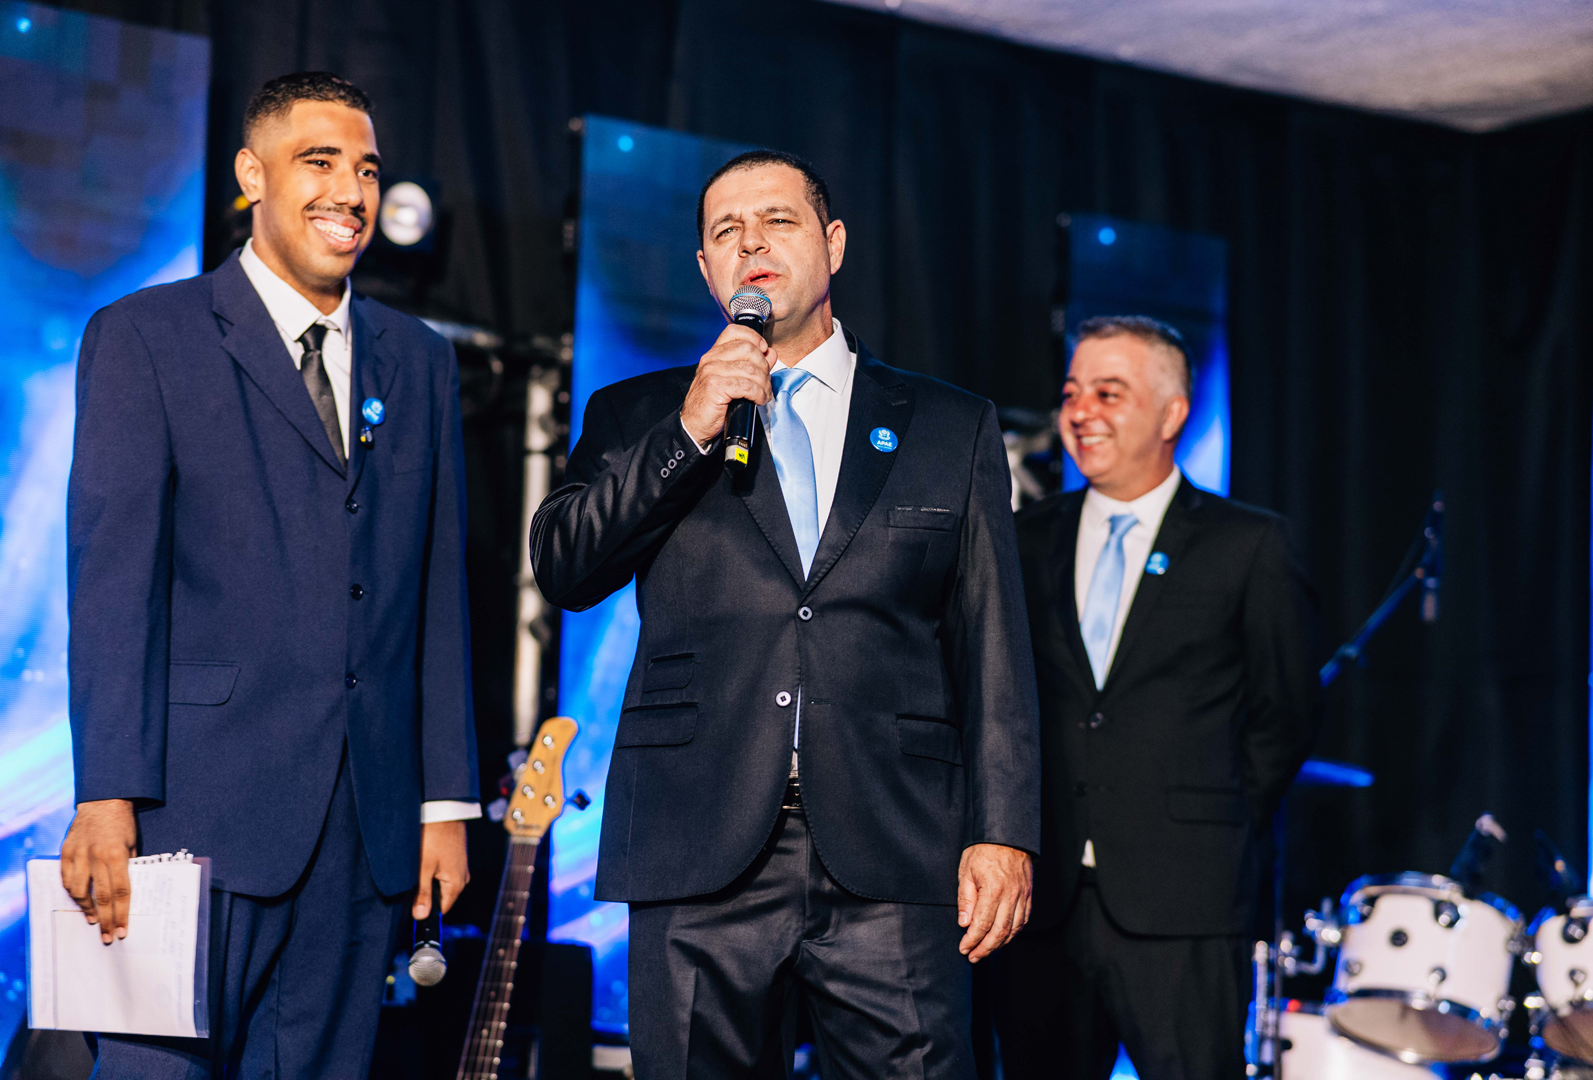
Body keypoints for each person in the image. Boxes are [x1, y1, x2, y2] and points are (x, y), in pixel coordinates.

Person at [531, 149, 1039, 1077]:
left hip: (895, 846)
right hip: (697, 842)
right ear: (705, 270)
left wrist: (1002, 831)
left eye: (778, 221)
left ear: (833, 244)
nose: (752, 244)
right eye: (726, 231)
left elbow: (992, 642)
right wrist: (689, 430)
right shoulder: (640, 413)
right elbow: (565, 566)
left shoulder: (948, 424)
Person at [61, 72, 479, 1076]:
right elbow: (112, 584)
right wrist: (107, 794)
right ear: (253, 175)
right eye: (319, 162)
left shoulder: (419, 360)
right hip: (186, 817)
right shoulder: (147, 336)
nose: (351, 192)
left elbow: (436, 594)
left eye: (367, 170)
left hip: (362, 834)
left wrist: (446, 803)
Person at [988, 316, 1321, 1079]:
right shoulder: (1021, 538)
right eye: (1072, 393)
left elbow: (1287, 715)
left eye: (1109, 393)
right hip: (1042, 900)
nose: (1081, 412)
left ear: (1172, 414)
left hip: (1186, 900)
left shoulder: (1249, 545)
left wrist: (1208, 816)